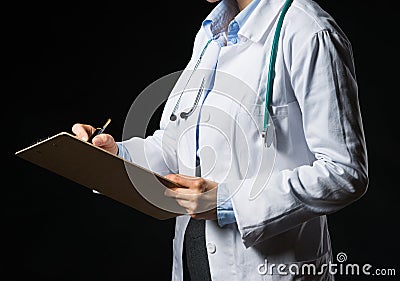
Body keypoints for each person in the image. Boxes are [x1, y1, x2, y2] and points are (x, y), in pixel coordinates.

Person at [72, 0, 368, 280]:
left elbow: (344, 172)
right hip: (195, 265)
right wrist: (113, 155)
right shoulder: (211, 35)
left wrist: (230, 203)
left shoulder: (308, 31)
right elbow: (177, 149)